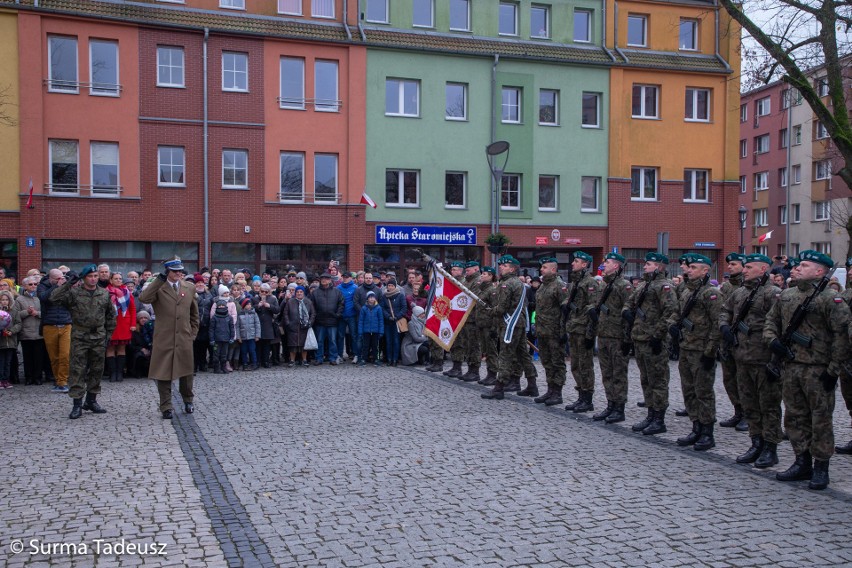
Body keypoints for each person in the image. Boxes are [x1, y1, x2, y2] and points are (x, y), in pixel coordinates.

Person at [764, 250, 851, 490]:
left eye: (804, 265)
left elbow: (842, 337)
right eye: (798, 264)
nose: (797, 268)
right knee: (794, 416)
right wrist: (773, 341)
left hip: (817, 369)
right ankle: (801, 461)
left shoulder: (830, 299)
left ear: (820, 271)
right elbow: (771, 321)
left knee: (820, 420)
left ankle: (821, 467)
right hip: (791, 367)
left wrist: (833, 371)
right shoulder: (787, 296)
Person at [719, 254, 783, 467]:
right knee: (750, 405)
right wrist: (724, 327)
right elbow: (724, 311)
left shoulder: (772, 293)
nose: (744, 270)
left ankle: (770, 448)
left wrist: (775, 359)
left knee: (769, 406)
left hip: (763, 358)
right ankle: (756, 443)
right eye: (744, 267)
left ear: (763, 269)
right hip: (742, 357)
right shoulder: (739, 293)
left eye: (749, 267)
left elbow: (778, 324)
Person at [50, 264, 116, 419]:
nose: (93, 279)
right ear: (84, 278)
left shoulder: (104, 294)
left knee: (97, 369)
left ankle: (91, 401)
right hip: (80, 336)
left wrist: (108, 335)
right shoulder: (74, 293)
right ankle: (77, 404)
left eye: (95, 276)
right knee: (77, 370)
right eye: (90, 276)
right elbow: (54, 298)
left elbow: (111, 316)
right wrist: (68, 283)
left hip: (98, 336)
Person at [623, 252, 679, 435]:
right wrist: (627, 312)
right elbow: (629, 303)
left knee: (658, 380)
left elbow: (670, 312)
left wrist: (658, 335)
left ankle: (659, 418)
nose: (645, 267)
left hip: (654, 339)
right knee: (646, 379)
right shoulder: (644, 285)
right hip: (639, 337)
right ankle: (650, 413)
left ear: (659, 267)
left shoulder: (664, 286)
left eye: (648, 264)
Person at [138, 257, 200, 420]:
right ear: (167, 272)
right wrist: (159, 280)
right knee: (164, 373)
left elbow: (194, 314)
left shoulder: (189, 287)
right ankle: (166, 406)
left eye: (180, 271)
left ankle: (188, 400)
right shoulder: (159, 287)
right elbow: (143, 298)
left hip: (184, 337)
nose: (179, 274)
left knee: (186, 373)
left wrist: (192, 333)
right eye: (175, 271)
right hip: (164, 338)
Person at [671, 254, 722, 451]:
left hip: (702, 351)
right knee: (689, 390)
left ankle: (707, 433)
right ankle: (696, 426)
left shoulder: (711, 294)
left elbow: (717, 324)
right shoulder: (686, 292)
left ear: (705, 270)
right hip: (686, 347)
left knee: (703, 392)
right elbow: (677, 313)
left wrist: (710, 353)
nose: (689, 270)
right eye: (689, 267)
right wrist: (672, 327)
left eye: (693, 267)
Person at [589, 253, 633, 422]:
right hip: (604, 334)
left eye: (606, 262)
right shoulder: (603, 285)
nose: (603, 265)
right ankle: (610, 404)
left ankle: (619, 408)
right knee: (607, 373)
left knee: (618, 373)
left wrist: (627, 339)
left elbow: (629, 312)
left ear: (616, 266)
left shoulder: (624, 286)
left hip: (617, 336)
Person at [481, 255, 531, 400]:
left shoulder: (507, 284)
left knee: (505, 354)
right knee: (523, 354)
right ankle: (532, 383)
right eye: (501, 265)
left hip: (510, 324)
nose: (501, 267)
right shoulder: (517, 282)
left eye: (505, 265)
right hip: (518, 323)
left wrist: (491, 311)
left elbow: (502, 308)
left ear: (513, 268)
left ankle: (499, 387)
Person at [563, 251, 601, 412]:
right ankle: (581, 396)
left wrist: (590, 335)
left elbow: (593, 309)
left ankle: (588, 398)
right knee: (576, 365)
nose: (573, 263)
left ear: (584, 264)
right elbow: (570, 300)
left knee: (585, 365)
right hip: (574, 327)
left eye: (576, 261)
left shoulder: (590, 282)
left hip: (583, 328)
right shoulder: (575, 283)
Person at [531, 257, 568, 406]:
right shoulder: (542, 286)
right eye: (542, 267)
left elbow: (564, 310)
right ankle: (550, 390)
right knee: (546, 361)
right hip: (543, 330)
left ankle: (557, 392)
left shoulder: (559, 286)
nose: (541, 269)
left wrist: (563, 331)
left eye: (545, 267)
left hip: (554, 331)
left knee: (557, 362)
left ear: (553, 269)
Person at [718, 253, 748, 431]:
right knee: (729, 379)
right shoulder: (727, 287)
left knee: (743, 380)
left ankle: (747, 414)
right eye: (729, 264)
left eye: (734, 264)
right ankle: (738, 411)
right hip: (727, 338)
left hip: (745, 342)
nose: (730, 267)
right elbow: (723, 310)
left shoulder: (752, 286)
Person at [38, 269, 73, 392]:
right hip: (49, 325)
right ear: (51, 278)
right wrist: (57, 287)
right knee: (54, 357)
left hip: (66, 324)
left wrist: (66, 286)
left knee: (65, 355)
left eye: (61, 278)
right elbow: (44, 298)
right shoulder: (42, 286)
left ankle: (63, 382)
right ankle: (58, 380)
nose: (61, 280)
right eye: (57, 279)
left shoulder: (67, 287)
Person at [105, 272, 136, 383]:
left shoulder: (127, 292)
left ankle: (120, 373)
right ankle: (112, 373)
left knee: (121, 348)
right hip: (110, 324)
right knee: (110, 348)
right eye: (116, 278)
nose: (118, 280)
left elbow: (132, 309)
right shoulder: (105, 292)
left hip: (124, 323)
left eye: (120, 278)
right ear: (111, 280)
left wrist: (133, 324)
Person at [15, 276, 45, 385]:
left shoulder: (40, 298)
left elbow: (46, 313)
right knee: (27, 357)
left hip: (39, 332)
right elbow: (16, 315)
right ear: (25, 286)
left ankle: (37, 377)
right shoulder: (19, 299)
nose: (33, 286)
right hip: (26, 332)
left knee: (38, 357)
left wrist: (37, 313)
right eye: (30, 284)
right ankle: (28, 377)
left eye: (35, 284)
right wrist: (27, 312)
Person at [836, 257, 852, 455]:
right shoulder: (847, 295)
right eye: (849, 268)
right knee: (850, 400)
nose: (849, 272)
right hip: (847, 357)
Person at [312, 272, 343, 365]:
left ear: (330, 280)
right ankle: (319, 358)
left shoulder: (337, 291)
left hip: (332, 320)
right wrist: (315, 316)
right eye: (322, 279)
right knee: (319, 341)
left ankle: (332, 358)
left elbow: (341, 304)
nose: (324, 280)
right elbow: (311, 305)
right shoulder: (315, 292)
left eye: (326, 278)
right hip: (319, 321)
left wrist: (337, 314)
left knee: (333, 341)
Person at [475, 266, 500, 384]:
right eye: (482, 273)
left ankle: (493, 374)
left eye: (485, 274)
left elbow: (495, 309)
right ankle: (489, 373)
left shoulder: (492, 290)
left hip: (489, 325)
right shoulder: (482, 290)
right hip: (482, 324)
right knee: (485, 350)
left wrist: (494, 328)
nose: (482, 275)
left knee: (491, 351)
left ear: (491, 276)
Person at [443, 262, 467, 377]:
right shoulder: (451, 282)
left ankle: (459, 367)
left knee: (460, 343)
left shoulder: (463, 283)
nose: (453, 272)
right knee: (454, 342)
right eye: (452, 270)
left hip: (461, 316)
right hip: (452, 316)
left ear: (461, 271)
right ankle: (455, 366)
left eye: (455, 269)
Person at [283, 286, 315, 367]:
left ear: (304, 293)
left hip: (304, 326)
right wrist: (288, 323)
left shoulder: (308, 302)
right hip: (292, 326)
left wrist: (310, 322)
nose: (299, 293)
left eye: (301, 292)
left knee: (304, 345)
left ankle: (304, 360)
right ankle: (292, 360)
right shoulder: (290, 302)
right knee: (292, 345)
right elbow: (285, 313)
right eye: (297, 292)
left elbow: (313, 313)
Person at [381, 278, 408, 367]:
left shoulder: (400, 295)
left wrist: (397, 316)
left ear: (395, 286)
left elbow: (404, 308)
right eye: (389, 285)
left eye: (392, 285)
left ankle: (395, 359)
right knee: (388, 341)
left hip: (397, 322)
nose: (390, 287)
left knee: (396, 341)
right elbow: (383, 308)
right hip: (388, 322)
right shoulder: (384, 296)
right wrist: (388, 316)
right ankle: (389, 359)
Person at [255, 283, 280, 367]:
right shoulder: (255, 298)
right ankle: (258, 361)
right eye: (262, 291)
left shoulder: (272, 299)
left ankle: (265, 361)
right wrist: (258, 305)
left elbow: (277, 310)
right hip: (257, 325)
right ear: (259, 291)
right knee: (258, 345)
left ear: (269, 292)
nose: (264, 293)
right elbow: (250, 308)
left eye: (266, 292)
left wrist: (269, 306)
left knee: (266, 345)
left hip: (268, 325)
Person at [0, 290, 21, 389]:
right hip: (1, 340)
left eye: (6, 300)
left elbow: (19, 323)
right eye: (2, 300)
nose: (4, 302)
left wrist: (12, 331)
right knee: (1, 361)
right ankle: (0, 380)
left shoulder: (14, 311)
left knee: (8, 362)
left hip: (11, 340)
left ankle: (6, 379)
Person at [337, 271, 359, 363]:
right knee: (340, 336)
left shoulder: (355, 288)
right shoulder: (338, 288)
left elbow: (357, 301)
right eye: (344, 277)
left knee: (354, 336)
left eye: (347, 277)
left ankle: (356, 354)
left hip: (352, 315)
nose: (345, 278)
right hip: (341, 315)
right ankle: (339, 355)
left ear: (351, 278)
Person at [358, 291, 384, 366]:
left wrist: (381, 331)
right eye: (370, 297)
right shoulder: (364, 308)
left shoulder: (378, 308)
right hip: (366, 330)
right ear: (367, 299)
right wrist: (360, 332)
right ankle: (364, 359)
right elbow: (361, 321)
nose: (372, 299)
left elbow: (381, 320)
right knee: (365, 346)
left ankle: (376, 359)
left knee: (375, 346)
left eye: (373, 297)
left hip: (376, 331)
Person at [193, 275, 214, 372]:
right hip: (195, 323)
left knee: (204, 345)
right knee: (195, 345)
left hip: (206, 323)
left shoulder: (208, 294)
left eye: (201, 282)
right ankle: (194, 364)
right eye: (198, 282)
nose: (200, 284)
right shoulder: (192, 294)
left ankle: (203, 363)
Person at [209, 299, 235, 373]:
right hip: (216, 340)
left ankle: (223, 367)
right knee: (216, 355)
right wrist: (211, 339)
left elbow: (232, 328)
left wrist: (232, 337)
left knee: (224, 355)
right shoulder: (214, 317)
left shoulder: (229, 317)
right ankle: (216, 368)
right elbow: (211, 329)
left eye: (222, 306)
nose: (221, 307)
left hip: (226, 340)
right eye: (219, 306)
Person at [236, 297, 261, 370]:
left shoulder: (254, 313)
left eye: (250, 304)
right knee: (243, 351)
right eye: (247, 304)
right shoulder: (240, 314)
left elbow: (257, 324)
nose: (249, 306)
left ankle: (254, 363)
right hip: (243, 336)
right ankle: (245, 364)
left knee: (252, 350)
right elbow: (237, 326)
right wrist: (238, 337)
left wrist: (257, 335)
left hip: (252, 336)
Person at [129, 310, 154, 378]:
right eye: (141, 318)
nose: (143, 320)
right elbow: (131, 346)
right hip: (138, 351)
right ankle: (138, 373)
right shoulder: (135, 331)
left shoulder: (152, 330)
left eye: (145, 318)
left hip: (151, 349)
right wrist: (141, 349)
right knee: (139, 356)